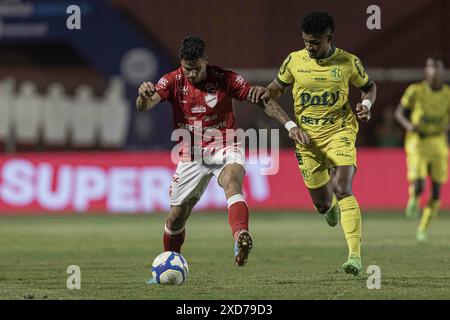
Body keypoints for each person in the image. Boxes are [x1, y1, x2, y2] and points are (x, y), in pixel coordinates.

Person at [136, 36, 306, 280]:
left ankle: (240, 237)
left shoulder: (226, 79)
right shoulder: (171, 81)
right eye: (187, 68)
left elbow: (263, 100)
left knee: (231, 182)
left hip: (226, 145)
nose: (192, 74)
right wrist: (143, 95)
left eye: (196, 68)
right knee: (175, 219)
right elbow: (145, 105)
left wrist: (289, 125)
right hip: (191, 154)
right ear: (180, 63)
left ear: (206, 59)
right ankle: (169, 262)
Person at [250, 10, 377, 275]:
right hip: (306, 140)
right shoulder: (294, 61)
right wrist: (266, 91)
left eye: (315, 42)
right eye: (306, 41)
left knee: (342, 187)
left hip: (339, 132)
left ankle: (355, 256)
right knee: (322, 204)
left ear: (329, 38)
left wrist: (365, 105)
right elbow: (275, 88)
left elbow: (369, 87)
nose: (309, 46)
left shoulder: (348, 62)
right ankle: (329, 208)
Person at [395, 57, 450, 242]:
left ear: (442, 71)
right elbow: (399, 113)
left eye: (437, 68)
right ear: (426, 71)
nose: (433, 71)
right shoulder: (415, 91)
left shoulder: (448, 94)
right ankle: (414, 196)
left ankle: (423, 228)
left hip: (438, 142)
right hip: (418, 142)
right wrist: (409, 126)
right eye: (430, 68)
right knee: (419, 184)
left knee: (436, 192)